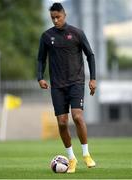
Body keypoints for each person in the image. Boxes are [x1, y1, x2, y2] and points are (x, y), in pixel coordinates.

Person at [37, 2, 96, 173]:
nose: (55, 20)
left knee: (77, 117)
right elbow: (41, 59)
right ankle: (71, 158)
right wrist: (40, 77)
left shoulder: (77, 33)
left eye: (58, 17)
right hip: (57, 86)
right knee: (62, 123)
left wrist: (92, 79)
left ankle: (86, 154)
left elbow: (90, 55)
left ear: (64, 15)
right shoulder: (47, 36)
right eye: (53, 18)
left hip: (76, 82)